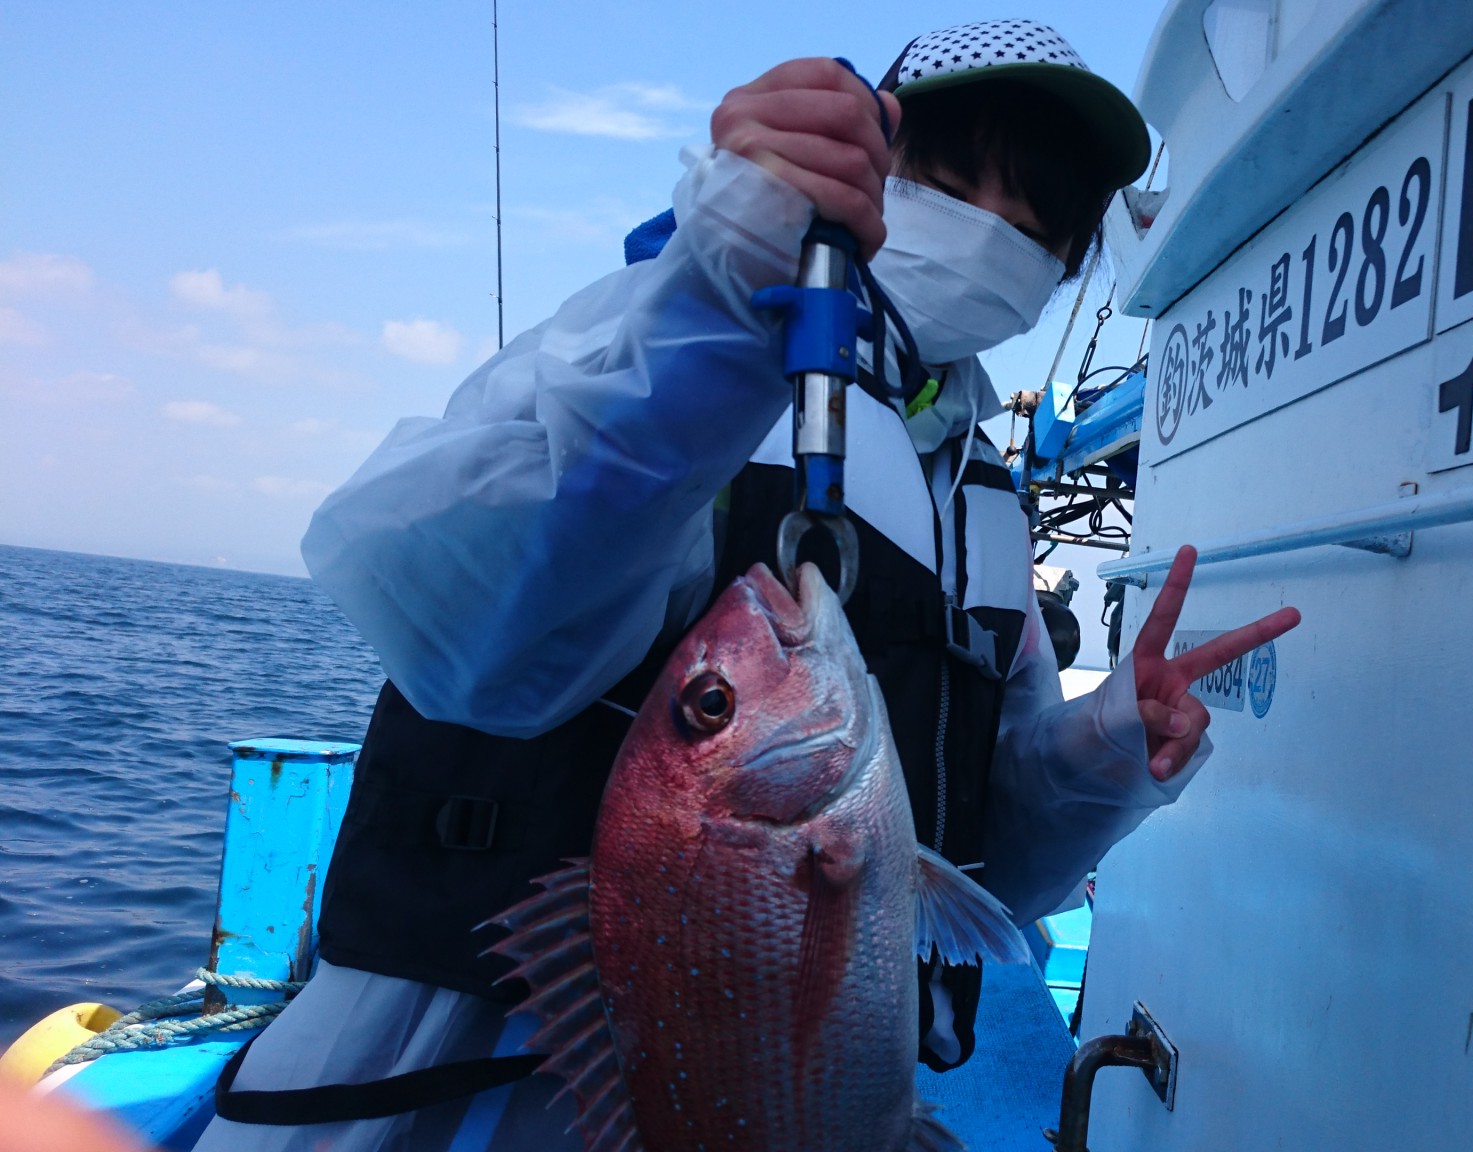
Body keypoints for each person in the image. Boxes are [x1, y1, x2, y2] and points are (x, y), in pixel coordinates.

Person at [193, 20, 1298, 1151]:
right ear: (871, 171)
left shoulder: (983, 506)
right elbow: (451, 616)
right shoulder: (675, 352)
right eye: (952, 181)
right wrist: (716, 291)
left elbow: (977, 872)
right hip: (446, 1107)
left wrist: (1102, 751)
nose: (990, 235)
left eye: (1034, 227)